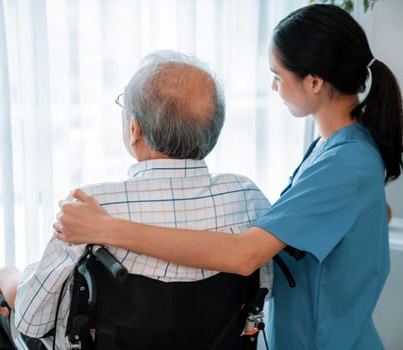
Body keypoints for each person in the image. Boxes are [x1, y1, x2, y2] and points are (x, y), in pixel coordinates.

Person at [54, 4, 403, 350]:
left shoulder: (346, 162)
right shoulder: (339, 146)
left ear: (313, 82)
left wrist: (106, 228)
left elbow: (244, 255)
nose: (273, 87)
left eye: (278, 76)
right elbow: (370, 212)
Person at [0, 49, 273, 350]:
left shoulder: (93, 206)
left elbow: (32, 318)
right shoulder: (246, 197)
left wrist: (4, 275)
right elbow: (265, 290)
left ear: (134, 129)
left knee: (0, 305)